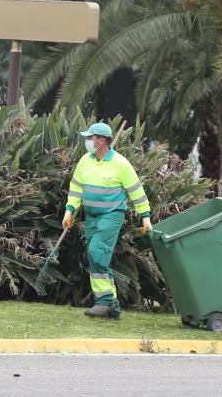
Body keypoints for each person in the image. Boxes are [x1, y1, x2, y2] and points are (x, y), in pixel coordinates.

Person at [63, 122, 152, 319]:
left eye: (91, 137)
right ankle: (112, 305)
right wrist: (69, 210)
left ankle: (103, 302)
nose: (87, 141)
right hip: (91, 217)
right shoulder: (85, 161)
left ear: (101, 140)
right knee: (96, 256)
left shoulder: (121, 164)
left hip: (111, 216)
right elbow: (76, 188)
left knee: (97, 251)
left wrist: (145, 216)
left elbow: (136, 191)